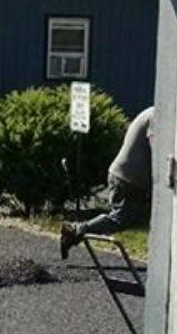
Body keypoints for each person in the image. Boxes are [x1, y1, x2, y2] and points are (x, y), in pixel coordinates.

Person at [60, 106, 154, 259]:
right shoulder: (156, 117)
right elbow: (156, 151)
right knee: (120, 218)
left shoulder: (149, 113)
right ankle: (76, 230)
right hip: (128, 177)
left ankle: (76, 230)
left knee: (130, 217)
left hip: (126, 174)